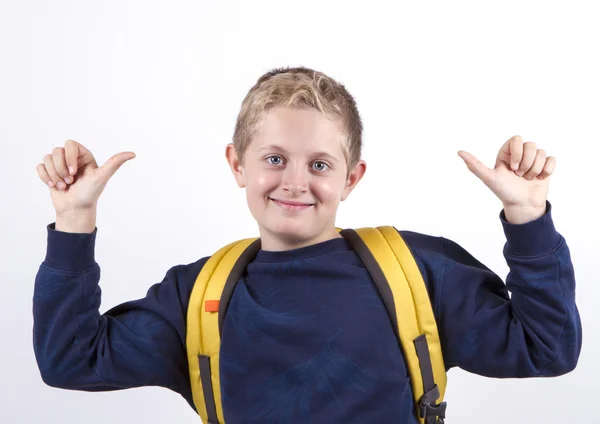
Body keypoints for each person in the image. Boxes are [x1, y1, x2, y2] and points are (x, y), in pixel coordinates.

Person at [33, 66, 582, 423]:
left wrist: (528, 215)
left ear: (352, 178)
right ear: (237, 164)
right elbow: (70, 361)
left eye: (320, 164)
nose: (295, 182)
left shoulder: (416, 271)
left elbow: (547, 349)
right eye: (275, 159)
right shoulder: (196, 296)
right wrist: (75, 220)